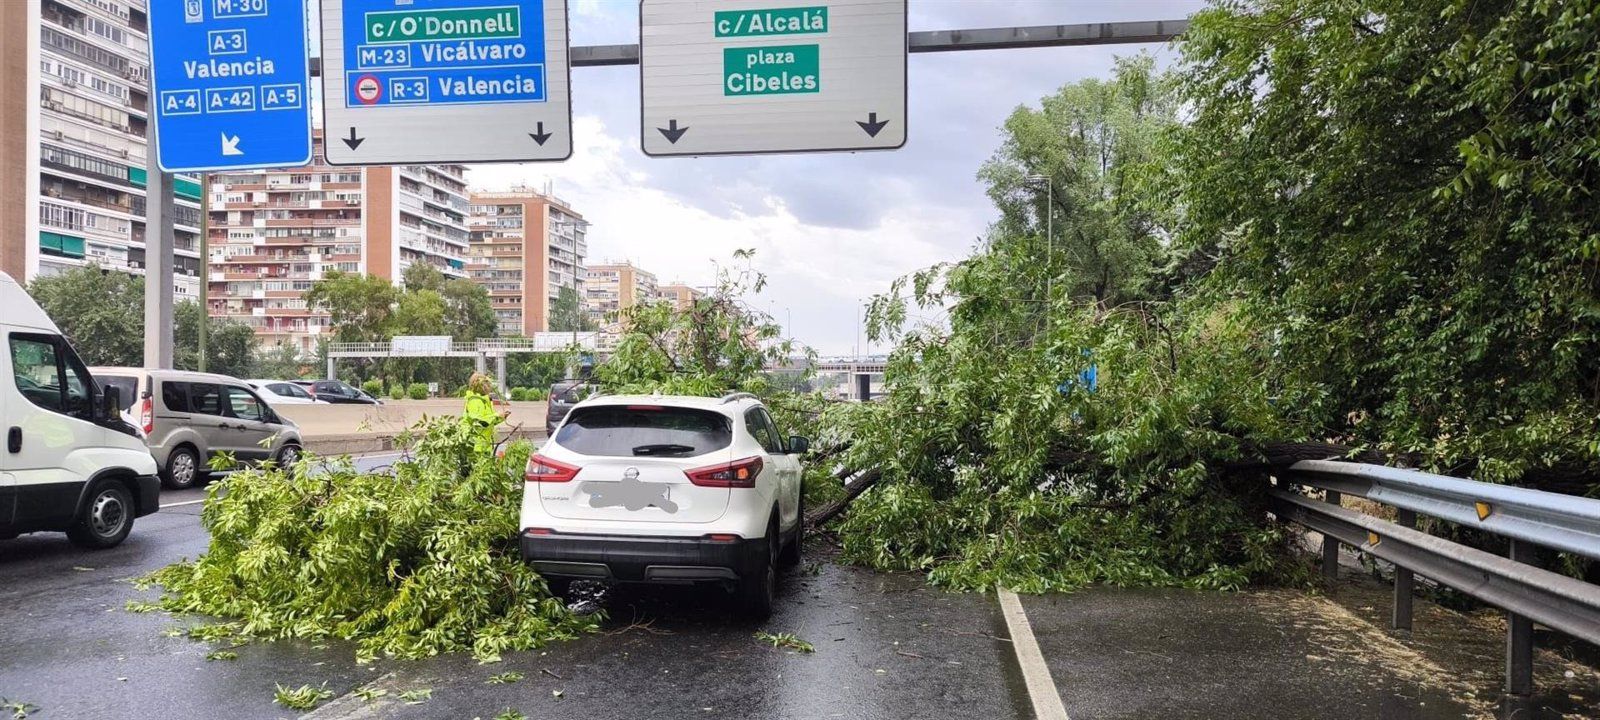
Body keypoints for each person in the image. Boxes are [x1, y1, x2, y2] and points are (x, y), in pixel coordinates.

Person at [463, 372, 505, 455]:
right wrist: (497, 415)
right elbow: (479, 422)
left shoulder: (486, 400)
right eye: (487, 384)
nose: (490, 387)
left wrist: (502, 417)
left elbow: (489, 420)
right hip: (475, 447)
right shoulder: (474, 401)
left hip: (484, 445)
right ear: (480, 386)